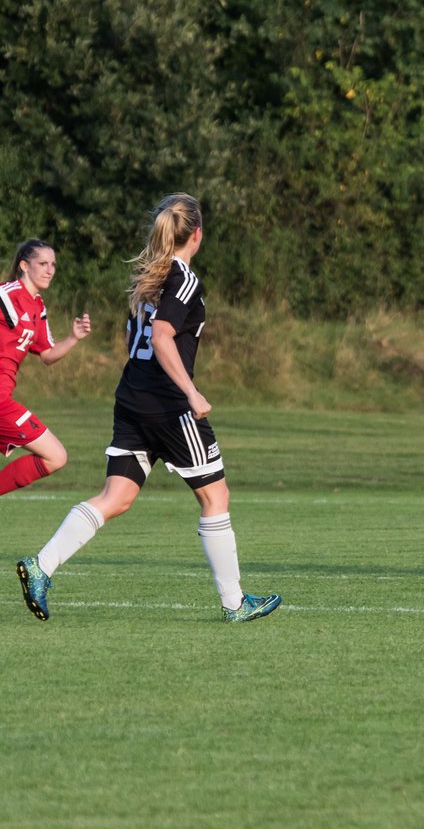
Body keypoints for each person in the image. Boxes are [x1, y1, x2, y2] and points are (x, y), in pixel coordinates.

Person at [15, 193, 281, 623]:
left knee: (115, 497)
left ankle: (42, 566)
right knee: (216, 496)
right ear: (197, 234)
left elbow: (133, 339)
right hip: (169, 407)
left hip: (132, 398)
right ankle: (235, 604)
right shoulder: (182, 279)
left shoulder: (149, 277)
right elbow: (159, 338)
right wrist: (191, 393)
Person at [0, 239, 92, 497]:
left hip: (3, 398)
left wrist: (73, 338)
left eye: (53, 264)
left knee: (56, 457)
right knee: (55, 455)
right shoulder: (6, 295)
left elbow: (48, 355)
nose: (49, 269)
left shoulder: (38, 307)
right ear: (24, 266)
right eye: (42, 263)